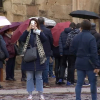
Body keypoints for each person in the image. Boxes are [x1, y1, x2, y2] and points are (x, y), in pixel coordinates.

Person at [70, 20, 100, 100]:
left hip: (79, 61)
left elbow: (72, 50)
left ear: (81, 27)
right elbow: (94, 53)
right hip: (90, 63)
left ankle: (78, 98)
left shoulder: (76, 37)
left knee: (79, 83)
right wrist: (97, 65)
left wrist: (79, 54)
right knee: (93, 83)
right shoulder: (91, 38)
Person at [19, 18, 47, 100]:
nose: (33, 25)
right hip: (29, 56)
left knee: (39, 76)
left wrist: (37, 30)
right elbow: (21, 39)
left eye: (35, 23)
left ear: (37, 24)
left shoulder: (39, 32)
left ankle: (40, 93)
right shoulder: (27, 33)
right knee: (30, 76)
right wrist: (28, 30)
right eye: (32, 23)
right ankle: (30, 94)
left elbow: (45, 39)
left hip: (39, 56)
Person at [38, 17, 53, 88]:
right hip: (46, 50)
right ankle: (45, 82)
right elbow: (51, 40)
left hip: (37, 51)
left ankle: (38, 81)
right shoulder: (48, 31)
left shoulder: (36, 30)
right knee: (46, 67)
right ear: (44, 23)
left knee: (38, 66)